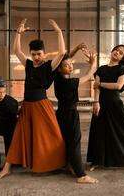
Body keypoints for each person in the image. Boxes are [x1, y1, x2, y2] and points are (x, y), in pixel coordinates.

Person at [0, 18, 66, 178]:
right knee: (20, 135)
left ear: (44, 53)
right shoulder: (28, 65)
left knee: (50, 135)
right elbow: (16, 51)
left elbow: (62, 53)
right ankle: (7, 167)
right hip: (27, 106)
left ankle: (58, 162)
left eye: (39, 54)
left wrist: (58, 32)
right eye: (33, 54)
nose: (36, 57)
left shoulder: (49, 66)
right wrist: (18, 34)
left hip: (42, 105)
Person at [87, 44, 124, 170]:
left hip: (115, 104)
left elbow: (118, 86)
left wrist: (101, 83)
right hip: (101, 103)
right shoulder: (101, 69)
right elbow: (96, 87)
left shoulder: (123, 69)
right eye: (116, 50)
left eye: (120, 53)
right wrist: (96, 102)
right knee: (99, 132)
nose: (117, 53)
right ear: (112, 51)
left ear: (122, 58)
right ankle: (96, 161)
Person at [54, 47, 98, 184]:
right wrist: (93, 64)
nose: (70, 67)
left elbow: (64, 58)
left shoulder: (58, 78)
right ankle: (81, 175)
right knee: (74, 142)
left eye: (71, 64)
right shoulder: (69, 83)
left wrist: (76, 50)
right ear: (60, 69)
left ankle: (69, 165)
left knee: (66, 141)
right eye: (66, 66)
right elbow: (88, 75)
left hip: (61, 113)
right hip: (70, 114)